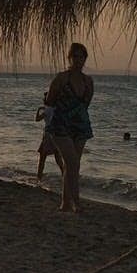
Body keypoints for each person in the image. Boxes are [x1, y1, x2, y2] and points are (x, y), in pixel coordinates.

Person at [44, 42, 94, 212]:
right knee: (73, 163)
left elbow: (86, 104)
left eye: (81, 57)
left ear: (85, 59)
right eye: (75, 56)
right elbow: (49, 102)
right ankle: (76, 202)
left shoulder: (88, 81)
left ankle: (65, 203)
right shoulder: (61, 78)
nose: (78, 60)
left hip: (80, 126)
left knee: (71, 164)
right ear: (70, 58)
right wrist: (48, 127)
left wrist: (78, 118)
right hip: (60, 126)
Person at [35, 102, 64, 180]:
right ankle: (65, 176)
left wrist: (39, 110)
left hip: (47, 135)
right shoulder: (57, 109)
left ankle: (39, 177)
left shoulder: (47, 110)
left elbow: (37, 119)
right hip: (56, 134)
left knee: (42, 158)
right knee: (58, 158)